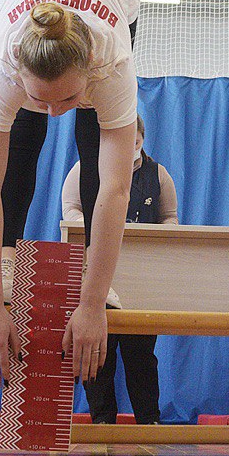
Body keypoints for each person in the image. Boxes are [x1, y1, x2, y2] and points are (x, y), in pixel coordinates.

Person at [0, 0, 140, 393]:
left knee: (94, 149)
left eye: (68, 98)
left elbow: (115, 190)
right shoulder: (2, 65)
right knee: (24, 138)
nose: (57, 111)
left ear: (90, 72)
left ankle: (92, 270)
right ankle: (8, 260)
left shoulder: (112, 64)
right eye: (41, 98)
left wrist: (92, 302)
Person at [62, 114, 175, 424]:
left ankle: (149, 422)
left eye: (136, 143)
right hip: (97, 275)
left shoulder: (159, 174)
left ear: (141, 140)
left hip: (143, 281)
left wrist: (157, 233)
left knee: (142, 358)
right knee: (98, 353)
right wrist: (99, 229)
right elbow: (70, 211)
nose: (131, 148)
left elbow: (171, 218)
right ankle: (101, 422)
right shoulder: (84, 170)